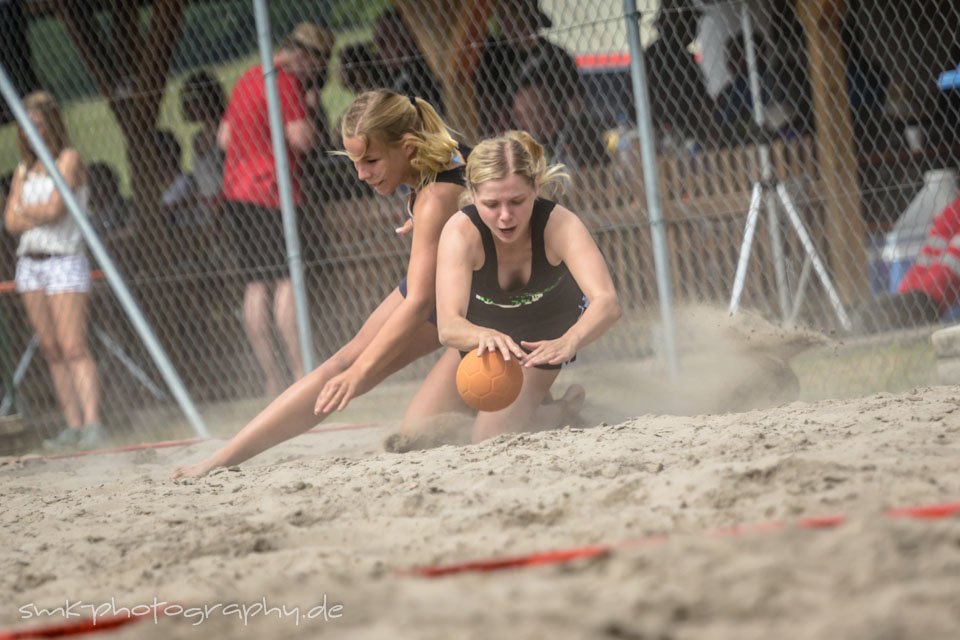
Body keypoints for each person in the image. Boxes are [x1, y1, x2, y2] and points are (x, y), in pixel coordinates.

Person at [172, 90, 467, 478]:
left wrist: (361, 374)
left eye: (371, 161)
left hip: (490, 302)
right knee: (398, 417)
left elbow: (418, 303)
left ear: (408, 147)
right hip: (455, 287)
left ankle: (538, 401)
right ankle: (221, 460)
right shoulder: (447, 155)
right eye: (355, 161)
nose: (361, 174)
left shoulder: (435, 196)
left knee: (353, 371)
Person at [424, 131, 620, 442]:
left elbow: (607, 302)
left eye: (517, 201)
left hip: (540, 341)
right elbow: (448, 326)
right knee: (416, 433)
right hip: (487, 338)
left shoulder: (560, 225)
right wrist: (482, 335)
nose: (505, 216)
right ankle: (531, 404)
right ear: (472, 195)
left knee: (488, 437)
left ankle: (563, 409)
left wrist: (570, 340)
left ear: (535, 188)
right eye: (491, 204)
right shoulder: (460, 232)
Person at [219, 22, 322, 396]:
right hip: (271, 191)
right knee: (285, 280)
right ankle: (300, 371)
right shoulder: (286, 83)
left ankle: (271, 378)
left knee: (255, 284)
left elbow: (224, 137)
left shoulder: (247, 77)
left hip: (236, 191)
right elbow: (301, 138)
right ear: (305, 58)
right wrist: (309, 111)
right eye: (317, 66)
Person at [2, 91, 103, 450]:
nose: (32, 133)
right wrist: (33, 211)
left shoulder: (68, 159)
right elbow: (10, 221)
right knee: (51, 348)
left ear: (52, 125)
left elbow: (55, 210)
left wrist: (27, 210)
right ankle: (73, 425)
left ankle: (93, 423)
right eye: (27, 127)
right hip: (32, 265)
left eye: (39, 125)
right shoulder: (24, 170)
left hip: (65, 260)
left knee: (74, 345)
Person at [473, 0, 583, 137]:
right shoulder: (499, 57)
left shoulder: (555, 56)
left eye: (516, 21)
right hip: (513, 132)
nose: (508, 27)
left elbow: (575, 102)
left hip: (554, 132)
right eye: (505, 21)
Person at [374, 9, 444, 113]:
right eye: (377, 41)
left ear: (407, 38)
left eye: (385, 39)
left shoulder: (424, 73)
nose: (380, 49)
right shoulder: (400, 75)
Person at [179, 70, 226, 212]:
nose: (186, 105)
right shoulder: (197, 138)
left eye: (192, 99)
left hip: (226, 205)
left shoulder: (224, 130)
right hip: (206, 207)